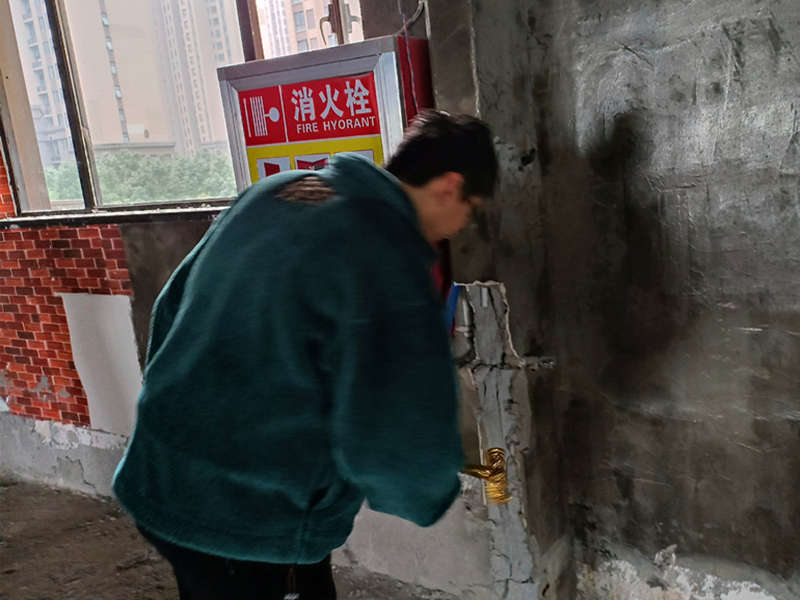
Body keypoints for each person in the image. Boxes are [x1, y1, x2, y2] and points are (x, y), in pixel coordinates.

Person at [112, 110, 498, 599]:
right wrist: (428, 490)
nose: (462, 226)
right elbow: (394, 426)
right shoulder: (385, 252)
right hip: (249, 517)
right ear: (449, 186)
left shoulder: (276, 191)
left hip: (162, 472)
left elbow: (170, 308)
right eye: (471, 210)